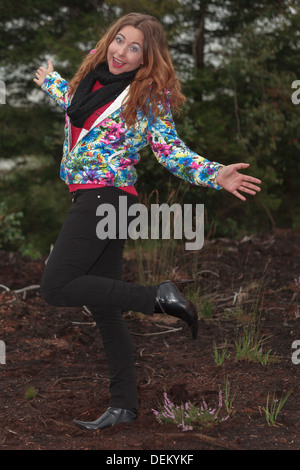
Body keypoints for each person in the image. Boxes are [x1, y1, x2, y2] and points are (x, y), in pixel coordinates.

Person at [34, 12, 261, 431]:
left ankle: (158, 298)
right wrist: (51, 81)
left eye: (134, 47)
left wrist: (215, 173)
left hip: (107, 199)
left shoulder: (147, 95)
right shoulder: (93, 80)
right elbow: (77, 107)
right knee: (104, 309)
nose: (122, 51)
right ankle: (124, 406)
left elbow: (171, 150)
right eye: (119, 40)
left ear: (146, 57)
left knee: (55, 286)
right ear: (109, 40)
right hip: (97, 199)